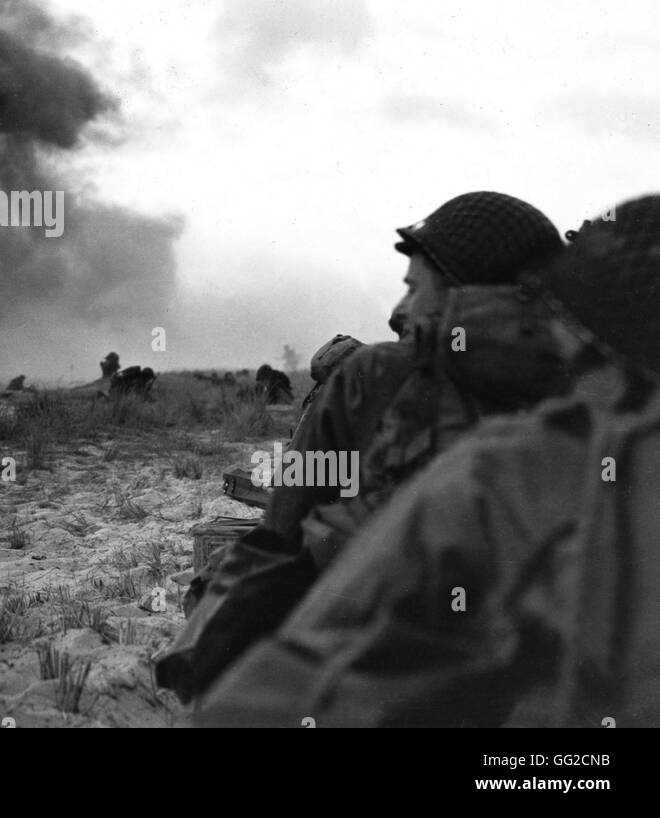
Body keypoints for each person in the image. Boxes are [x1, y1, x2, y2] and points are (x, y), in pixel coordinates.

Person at [194, 196, 660, 727]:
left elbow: (283, 555)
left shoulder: (502, 464)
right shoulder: (499, 451)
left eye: (415, 287)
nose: (400, 311)